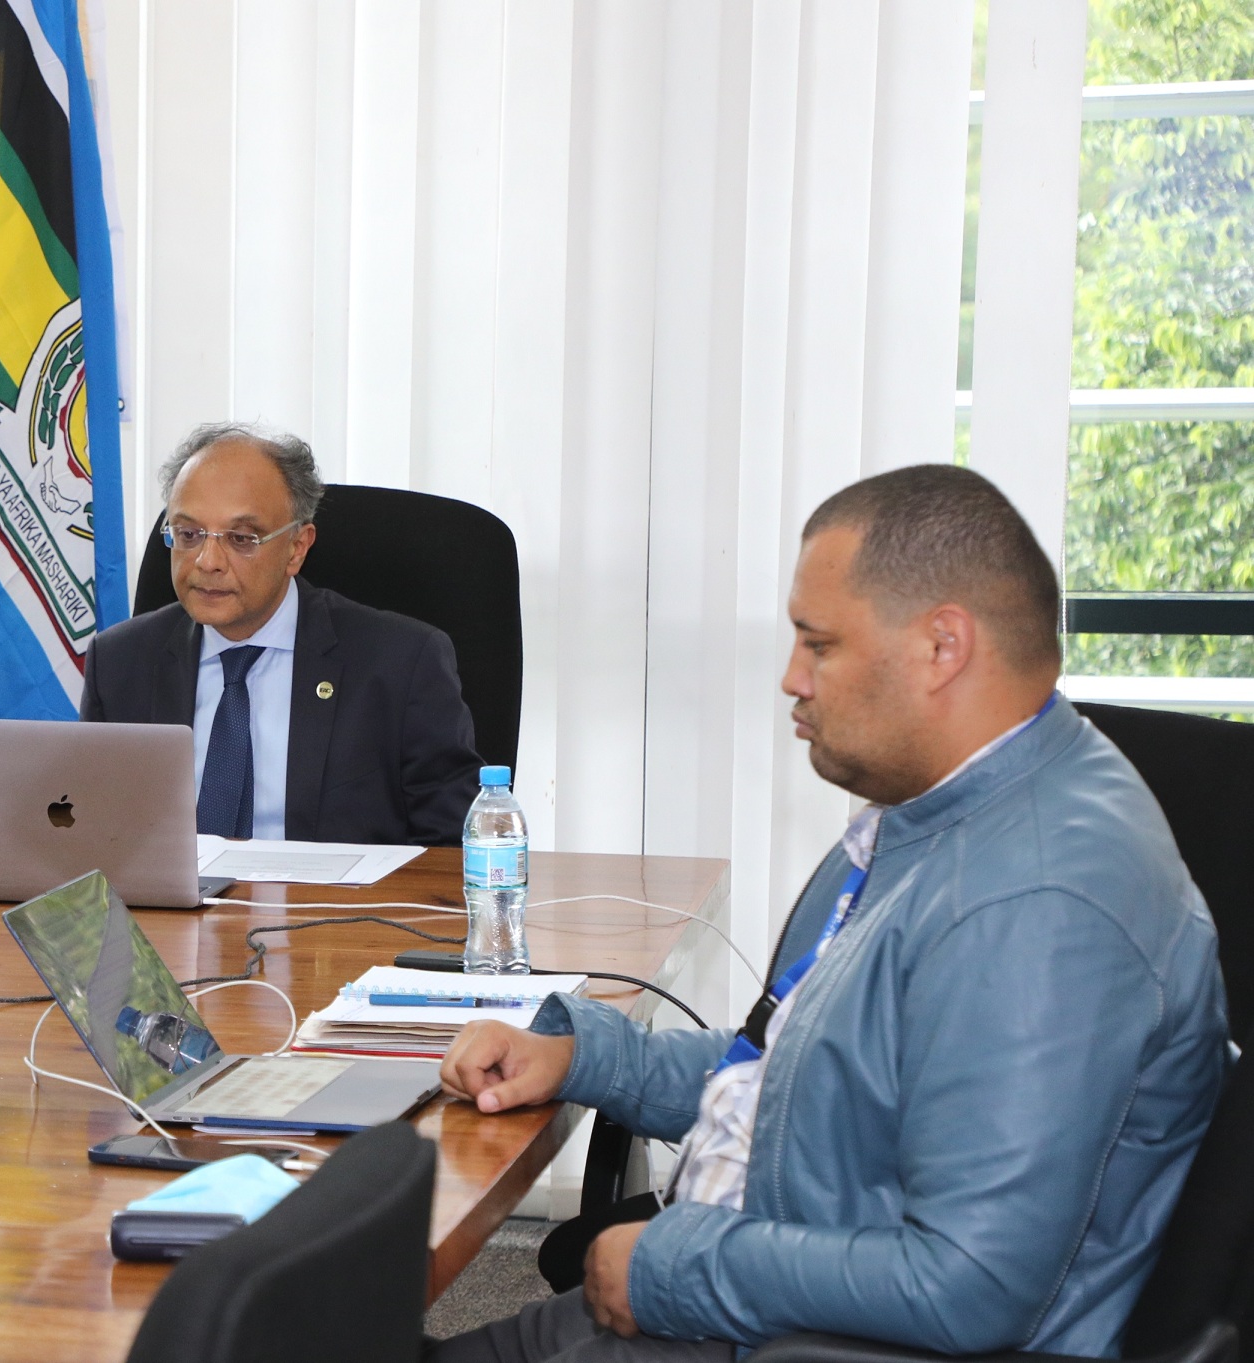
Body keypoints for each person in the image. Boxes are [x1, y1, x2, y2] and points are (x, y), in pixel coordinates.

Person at [434, 465, 1228, 1363]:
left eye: (818, 644)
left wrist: (671, 1268)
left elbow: (969, 1285)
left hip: (800, 1336)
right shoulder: (936, 813)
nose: (790, 678)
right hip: (759, 1286)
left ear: (942, 646)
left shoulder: (1036, 904)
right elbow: (800, 1073)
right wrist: (587, 1055)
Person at [79, 422, 483, 844]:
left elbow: (454, 848)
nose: (207, 561)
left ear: (296, 548)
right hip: (172, 909)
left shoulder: (401, 664)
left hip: (333, 908)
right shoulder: (120, 664)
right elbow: (88, 833)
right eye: (189, 534)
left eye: (240, 538)